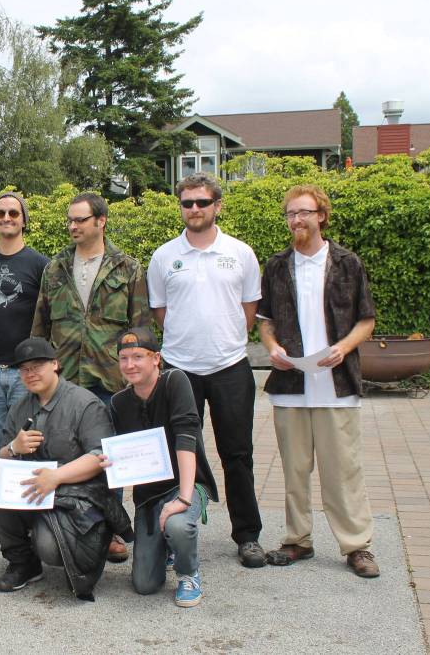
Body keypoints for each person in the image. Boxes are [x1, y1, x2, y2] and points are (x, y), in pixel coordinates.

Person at [258, 184, 379, 578]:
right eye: (291, 214)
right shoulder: (277, 266)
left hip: (336, 386)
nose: (296, 220)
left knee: (343, 471)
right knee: (294, 471)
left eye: (304, 212)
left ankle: (357, 545)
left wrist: (343, 348)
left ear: (321, 216)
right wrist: (273, 348)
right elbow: (265, 322)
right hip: (290, 386)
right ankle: (297, 539)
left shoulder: (347, 263)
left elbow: (366, 320)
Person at [146, 172, 266, 569]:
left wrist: (222, 340)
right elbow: (161, 312)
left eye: (202, 202)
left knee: (238, 454)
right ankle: (172, 534)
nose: (194, 208)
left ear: (217, 206)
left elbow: (248, 310)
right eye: (187, 203)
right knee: (176, 454)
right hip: (179, 370)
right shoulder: (164, 256)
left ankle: (247, 536)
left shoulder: (240, 253)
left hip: (230, 366)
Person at [30, 191, 150, 561]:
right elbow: (40, 327)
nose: (73, 225)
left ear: (101, 221)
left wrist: (137, 376)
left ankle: (110, 531)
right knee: (65, 453)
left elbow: (140, 329)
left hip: (109, 380)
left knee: (108, 457)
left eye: (80, 219)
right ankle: (64, 524)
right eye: (70, 219)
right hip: (65, 380)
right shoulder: (55, 268)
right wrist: (38, 370)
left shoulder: (127, 268)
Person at [0, 337, 130, 601]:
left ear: (55, 364)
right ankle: (23, 563)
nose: (30, 373)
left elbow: (100, 456)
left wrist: (57, 476)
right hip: (36, 490)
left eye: (37, 366)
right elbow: (0, 460)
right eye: (24, 369)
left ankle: (76, 546)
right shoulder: (21, 406)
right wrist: (13, 448)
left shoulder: (84, 403)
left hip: (78, 495)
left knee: (49, 548)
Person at [105, 328, 219, 608]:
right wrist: (110, 461)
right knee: (144, 585)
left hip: (186, 484)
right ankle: (167, 547)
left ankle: (188, 573)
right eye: (123, 358)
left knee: (178, 524)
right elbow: (123, 453)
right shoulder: (119, 402)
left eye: (138, 357)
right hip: (148, 495)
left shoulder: (174, 381)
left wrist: (183, 498)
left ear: (156, 358)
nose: (130, 365)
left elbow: (186, 439)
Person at [0, 191, 49, 543]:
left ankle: (28, 513)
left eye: (13, 213)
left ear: (23, 219)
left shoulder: (40, 265)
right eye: (0, 213)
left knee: (28, 441)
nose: (6, 218)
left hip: (26, 371)